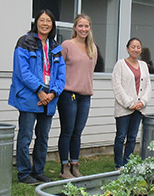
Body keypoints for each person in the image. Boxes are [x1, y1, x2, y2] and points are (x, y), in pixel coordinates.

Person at [8, 9, 66, 185]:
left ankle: (38, 171)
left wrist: (53, 93)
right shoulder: (25, 42)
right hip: (30, 96)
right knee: (25, 136)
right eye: (42, 20)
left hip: (49, 98)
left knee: (43, 136)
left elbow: (61, 75)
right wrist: (40, 90)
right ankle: (24, 173)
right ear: (36, 22)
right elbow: (22, 72)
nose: (45, 24)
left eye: (49, 21)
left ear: (52, 24)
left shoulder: (55, 46)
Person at [58, 14, 96, 179]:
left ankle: (75, 165)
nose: (83, 29)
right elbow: (57, 68)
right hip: (68, 94)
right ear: (75, 28)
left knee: (77, 132)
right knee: (67, 131)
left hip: (85, 96)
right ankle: (64, 167)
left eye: (86, 26)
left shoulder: (92, 48)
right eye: (80, 26)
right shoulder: (67, 45)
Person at [112, 37, 152, 169]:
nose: (135, 49)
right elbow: (117, 86)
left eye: (138, 47)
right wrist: (129, 103)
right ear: (127, 48)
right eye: (133, 47)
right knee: (121, 136)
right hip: (124, 108)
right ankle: (118, 165)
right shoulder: (120, 64)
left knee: (132, 137)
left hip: (139, 108)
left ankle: (127, 164)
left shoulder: (144, 65)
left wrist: (143, 102)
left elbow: (148, 86)